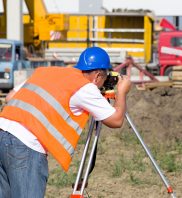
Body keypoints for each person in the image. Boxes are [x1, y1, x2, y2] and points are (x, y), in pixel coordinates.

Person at [0, 47, 131, 197]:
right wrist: (121, 91)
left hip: (2, 131)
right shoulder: (85, 87)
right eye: (105, 77)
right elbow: (116, 120)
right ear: (97, 76)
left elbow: (11, 97)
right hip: (25, 146)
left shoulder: (47, 71)